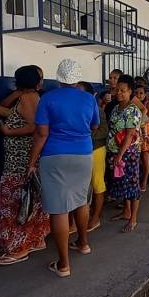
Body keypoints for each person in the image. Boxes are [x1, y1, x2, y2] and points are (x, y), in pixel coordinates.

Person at [27, 59, 99, 278]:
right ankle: (83, 244)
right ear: (77, 77)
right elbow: (94, 125)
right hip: (84, 155)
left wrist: (31, 161)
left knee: (59, 209)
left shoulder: (47, 98)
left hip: (54, 156)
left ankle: (64, 264)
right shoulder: (88, 98)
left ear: (58, 78)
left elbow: (41, 133)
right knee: (81, 200)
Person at [0, 66, 49, 266]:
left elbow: (35, 126)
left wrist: (8, 132)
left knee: (14, 206)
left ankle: (18, 249)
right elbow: (10, 111)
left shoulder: (28, 98)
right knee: (29, 203)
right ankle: (34, 240)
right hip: (24, 161)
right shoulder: (28, 97)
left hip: (20, 162)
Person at [107, 75, 143, 232]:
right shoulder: (116, 108)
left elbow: (129, 135)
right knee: (122, 183)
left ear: (130, 92)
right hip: (115, 151)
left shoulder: (132, 110)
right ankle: (126, 211)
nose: (119, 93)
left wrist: (120, 155)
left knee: (132, 185)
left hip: (128, 153)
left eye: (123, 90)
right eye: (117, 90)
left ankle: (133, 219)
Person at [77, 82, 108, 232]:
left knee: (97, 185)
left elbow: (104, 131)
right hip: (83, 151)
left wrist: (87, 135)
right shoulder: (76, 109)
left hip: (96, 150)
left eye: (80, 92)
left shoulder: (97, 109)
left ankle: (95, 218)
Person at [134, 83, 149, 192]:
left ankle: (144, 181)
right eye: (136, 93)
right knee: (136, 159)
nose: (138, 95)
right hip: (135, 133)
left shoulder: (148, 104)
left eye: (141, 93)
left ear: (145, 94)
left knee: (145, 158)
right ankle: (136, 181)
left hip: (145, 134)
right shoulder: (132, 104)